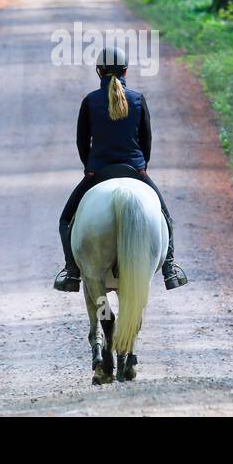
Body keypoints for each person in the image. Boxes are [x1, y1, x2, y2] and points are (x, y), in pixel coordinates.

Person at [53, 46, 188, 292]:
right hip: (134, 170)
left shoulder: (90, 101)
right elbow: (146, 141)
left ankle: (71, 272)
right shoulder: (137, 99)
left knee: (65, 220)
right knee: (166, 218)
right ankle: (169, 268)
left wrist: (90, 168)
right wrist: (141, 167)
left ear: (99, 72)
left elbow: (82, 142)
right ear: (126, 71)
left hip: (99, 171)